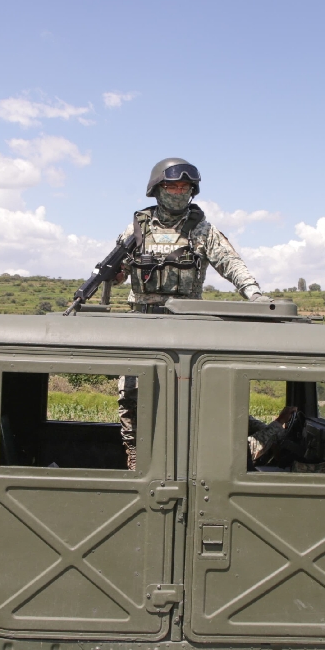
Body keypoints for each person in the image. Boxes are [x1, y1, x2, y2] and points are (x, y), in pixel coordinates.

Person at [115, 158, 270, 469]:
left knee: (204, 395)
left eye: (185, 187)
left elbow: (231, 264)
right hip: (141, 326)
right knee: (130, 397)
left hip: (187, 327)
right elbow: (115, 272)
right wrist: (109, 276)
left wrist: (254, 294)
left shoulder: (201, 230)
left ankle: (257, 440)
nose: (179, 192)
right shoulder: (137, 229)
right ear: (157, 189)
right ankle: (137, 459)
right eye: (172, 186)